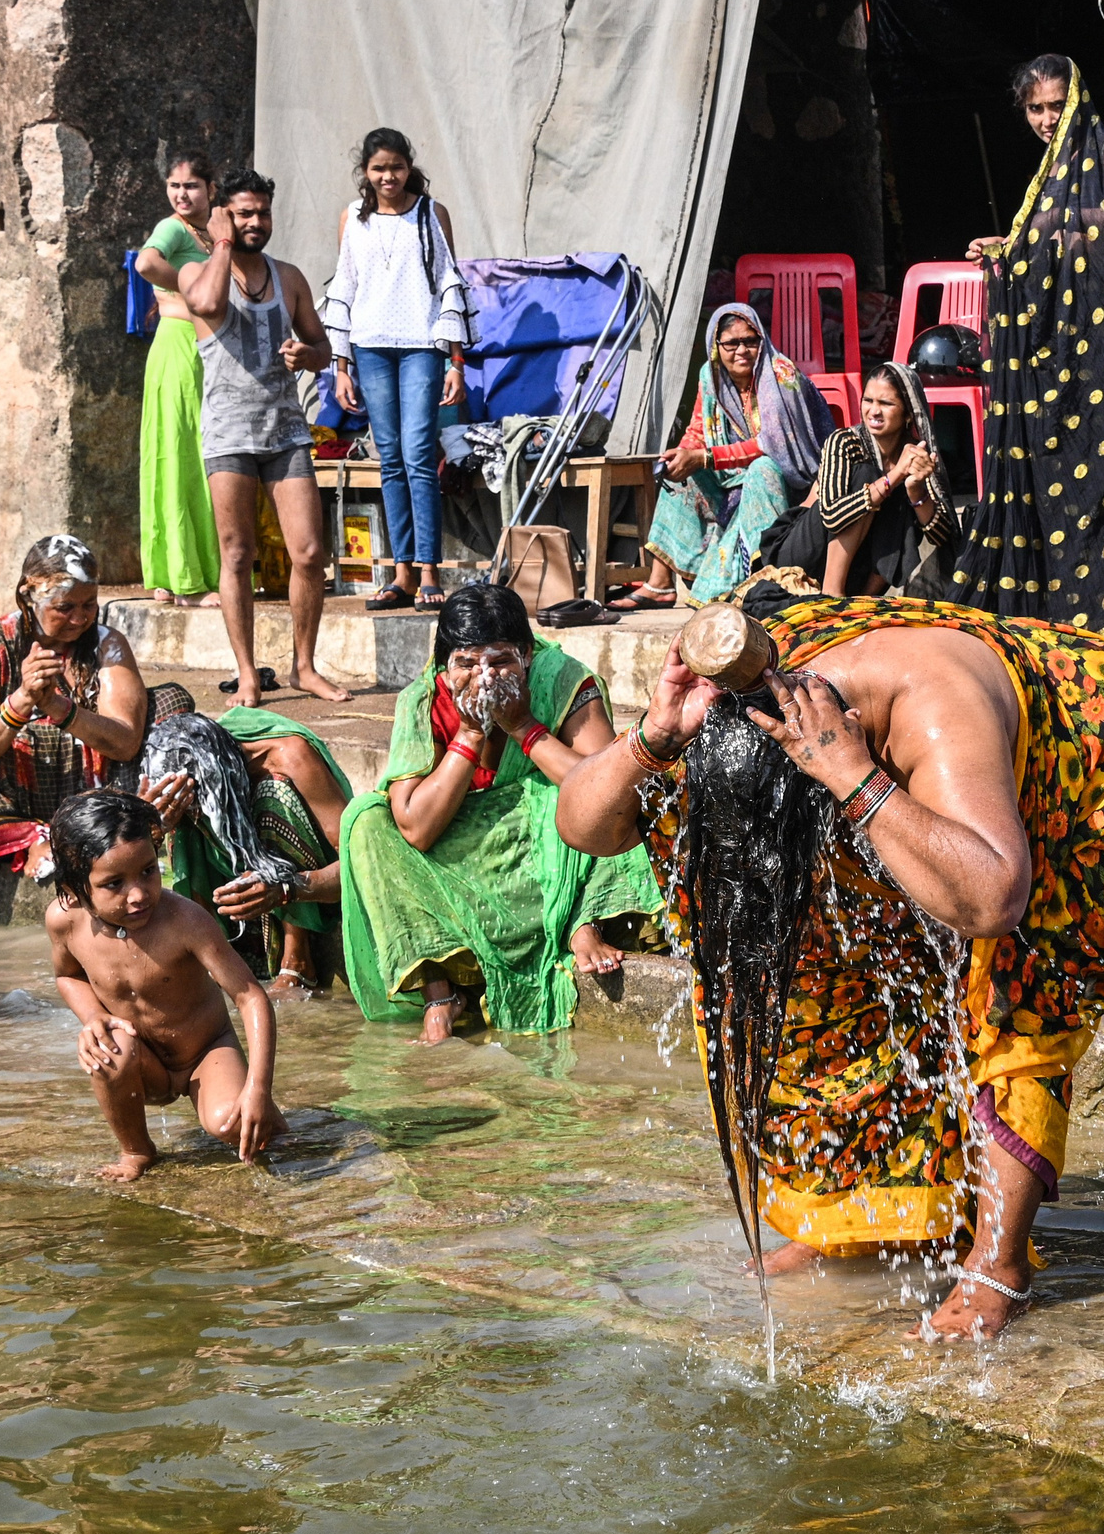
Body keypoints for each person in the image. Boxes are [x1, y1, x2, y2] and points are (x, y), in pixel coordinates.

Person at [552, 590, 1104, 1339]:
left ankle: (998, 1261)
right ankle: (860, 1213)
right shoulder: (725, 719)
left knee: (1015, 998)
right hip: (844, 771)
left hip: (1072, 767)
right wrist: (650, 738)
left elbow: (994, 895)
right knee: (816, 979)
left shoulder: (932, 710)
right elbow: (580, 824)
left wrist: (852, 776)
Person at [339, 583, 661, 1045]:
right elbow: (415, 828)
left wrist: (524, 728)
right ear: (444, 668)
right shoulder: (424, 698)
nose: (483, 677)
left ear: (527, 656)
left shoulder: (564, 679)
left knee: (601, 800)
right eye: (466, 664)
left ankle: (581, 922)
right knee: (366, 821)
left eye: (500, 661)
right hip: (466, 854)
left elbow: (606, 791)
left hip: (552, 845)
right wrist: (468, 735)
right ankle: (439, 992)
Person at [951, 53, 1104, 637]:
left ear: (1077, 99)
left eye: (1056, 106)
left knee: (1094, 467)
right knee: (1050, 468)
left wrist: (1038, 235)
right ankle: (1054, 607)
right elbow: (1048, 246)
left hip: (1099, 353)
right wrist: (1006, 249)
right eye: (1036, 108)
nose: (1047, 119)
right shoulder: (1049, 172)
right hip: (1052, 351)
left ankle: (1098, 598)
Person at [0, 535, 192, 875]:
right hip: (12, 801)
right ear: (28, 596)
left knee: (171, 701)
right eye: (64, 608)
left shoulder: (108, 643)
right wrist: (23, 700)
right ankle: (27, 839)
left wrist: (60, 709)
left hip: (102, 798)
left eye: (89, 605)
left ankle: (136, 824)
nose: (80, 619)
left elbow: (125, 743)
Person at [45, 789, 282, 1182]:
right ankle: (136, 1150)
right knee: (107, 1049)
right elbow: (67, 975)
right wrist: (93, 1018)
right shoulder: (64, 922)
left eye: (148, 871)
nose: (138, 894)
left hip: (205, 1052)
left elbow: (250, 996)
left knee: (233, 1125)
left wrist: (259, 1089)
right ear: (74, 890)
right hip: (143, 1061)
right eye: (114, 883)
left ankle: (267, 1116)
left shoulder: (185, 921)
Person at [180, 168, 345, 706]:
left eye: (263, 213)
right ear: (225, 215)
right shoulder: (197, 272)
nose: (257, 222)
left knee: (310, 551)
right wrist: (220, 239)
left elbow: (322, 348)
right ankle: (248, 673)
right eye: (245, 213)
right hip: (229, 432)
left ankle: (304, 666)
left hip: (285, 429)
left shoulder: (290, 277)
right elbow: (206, 306)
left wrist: (309, 355)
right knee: (237, 554)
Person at [323, 126, 474, 615]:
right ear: (365, 172)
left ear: (410, 167)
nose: (388, 176)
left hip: (420, 347)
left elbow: (449, 285)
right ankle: (401, 573)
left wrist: (455, 360)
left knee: (417, 455)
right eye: (378, 168)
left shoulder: (432, 213)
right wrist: (340, 367)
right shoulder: (354, 218)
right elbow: (344, 286)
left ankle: (430, 571)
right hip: (369, 349)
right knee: (388, 459)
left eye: (396, 166)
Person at [620, 303, 832, 609]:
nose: (742, 350)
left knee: (762, 470)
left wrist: (705, 458)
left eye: (751, 341)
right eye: (732, 343)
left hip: (791, 478)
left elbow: (773, 446)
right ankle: (660, 584)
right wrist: (683, 454)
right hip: (734, 475)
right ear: (716, 346)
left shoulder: (780, 376)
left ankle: (761, 581)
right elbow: (700, 428)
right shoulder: (711, 375)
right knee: (680, 474)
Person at [144, 707, 352, 994]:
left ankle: (297, 961)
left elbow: (358, 865)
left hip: (302, 882)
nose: (197, 815)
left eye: (202, 805)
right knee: (163, 820)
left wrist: (287, 889)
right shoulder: (178, 762)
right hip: (236, 886)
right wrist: (152, 831)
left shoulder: (290, 755)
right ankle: (208, 955)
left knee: (275, 795)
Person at [761, 361, 949, 596]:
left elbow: (942, 536)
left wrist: (916, 491)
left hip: (858, 569)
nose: (874, 411)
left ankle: (865, 600)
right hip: (800, 553)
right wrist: (895, 475)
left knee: (902, 499)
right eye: (868, 401)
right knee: (868, 475)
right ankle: (833, 592)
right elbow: (832, 516)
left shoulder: (914, 454)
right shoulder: (845, 442)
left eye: (886, 403)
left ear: (908, 414)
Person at [132, 151, 223, 607]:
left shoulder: (215, 229)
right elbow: (146, 264)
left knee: (202, 453)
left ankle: (178, 573)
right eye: (174, 185)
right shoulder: (171, 228)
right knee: (178, 453)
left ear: (210, 188)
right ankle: (183, 578)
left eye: (191, 186)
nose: (182, 194)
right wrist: (194, 295)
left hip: (207, 350)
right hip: (178, 347)